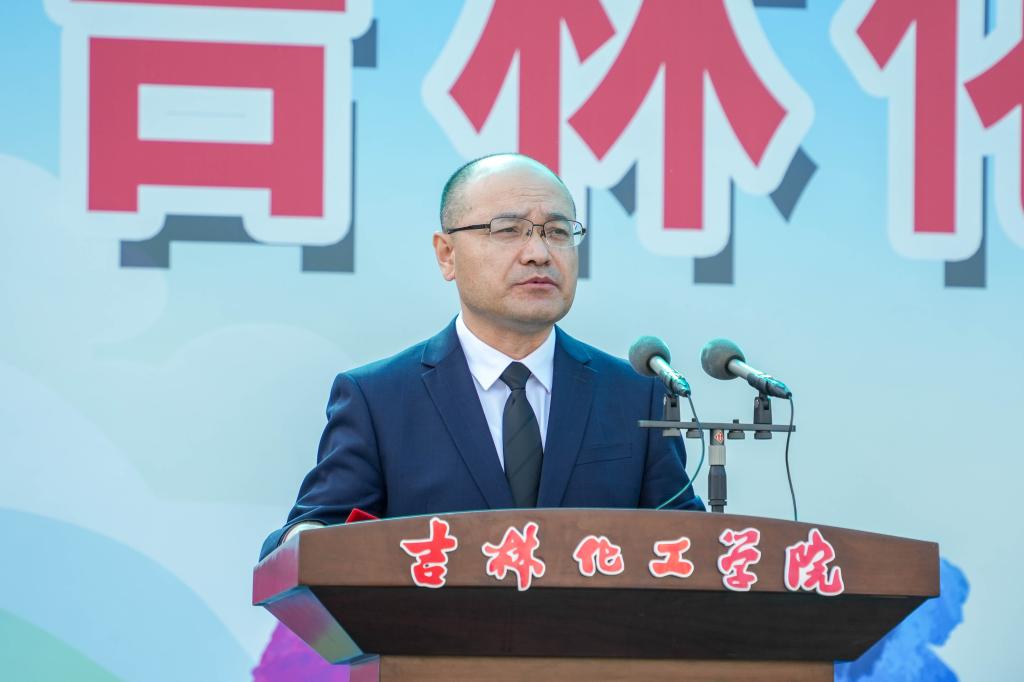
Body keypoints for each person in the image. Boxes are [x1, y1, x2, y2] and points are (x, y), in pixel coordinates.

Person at [259, 153, 703, 561]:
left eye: (557, 232)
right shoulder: (379, 399)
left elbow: (686, 547)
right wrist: (307, 537)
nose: (539, 254)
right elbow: (315, 531)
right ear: (446, 254)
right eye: (507, 230)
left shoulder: (635, 395)